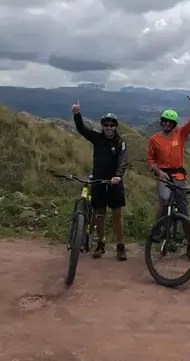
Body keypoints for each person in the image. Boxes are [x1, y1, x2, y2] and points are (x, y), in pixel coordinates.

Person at [71, 101, 128, 261]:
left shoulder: (120, 142)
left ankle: (121, 246)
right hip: (98, 182)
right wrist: (77, 114)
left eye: (111, 125)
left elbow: (123, 161)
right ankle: (100, 244)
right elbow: (82, 129)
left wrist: (118, 176)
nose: (108, 127)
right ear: (102, 126)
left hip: (114, 183)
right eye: (106, 125)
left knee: (117, 216)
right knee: (99, 215)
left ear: (115, 126)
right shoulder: (97, 138)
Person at [147, 94, 190, 260]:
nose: (167, 124)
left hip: (178, 175)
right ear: (162, 122)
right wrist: (158, 171)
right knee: (164, 199)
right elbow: (150, 160)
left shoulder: (180, 134)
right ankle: (158, 231)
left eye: (170, 122)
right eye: (165, 121)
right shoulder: (154, 139)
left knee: (184, 211)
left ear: (174, 124)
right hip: (162, 175)